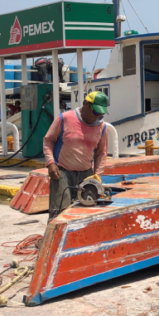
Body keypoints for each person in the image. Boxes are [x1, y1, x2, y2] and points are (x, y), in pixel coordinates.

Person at [43, 91, 110, 220]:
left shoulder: (102, 127)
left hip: (86, 173)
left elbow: (101, 153)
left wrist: (97, 176)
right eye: (95, 112)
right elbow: (48, 140)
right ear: (86, 104)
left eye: (100, 114)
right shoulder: (65, 118)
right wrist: (50, 163)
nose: (97, 117)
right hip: (62, 171)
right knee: (60, 211)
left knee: (84, 211)